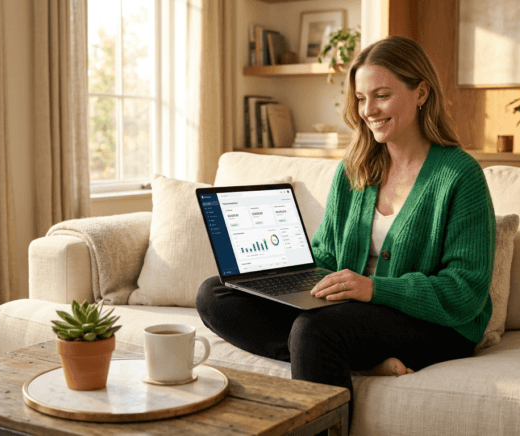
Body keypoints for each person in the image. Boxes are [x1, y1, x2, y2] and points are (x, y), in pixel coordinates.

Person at [196, 35, 495, 427]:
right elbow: (326, 253)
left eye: (382, 96)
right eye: (361, 98)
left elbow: (465, 291)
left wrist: (374, 289)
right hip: (351, 314)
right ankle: (357, 361)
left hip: (435, 325)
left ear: (421, 93)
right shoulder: (355, 168)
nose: (368, 110)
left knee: (314, 330)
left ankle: (328, 362)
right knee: (216, 294)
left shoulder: (460, 176)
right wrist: (285, 273)